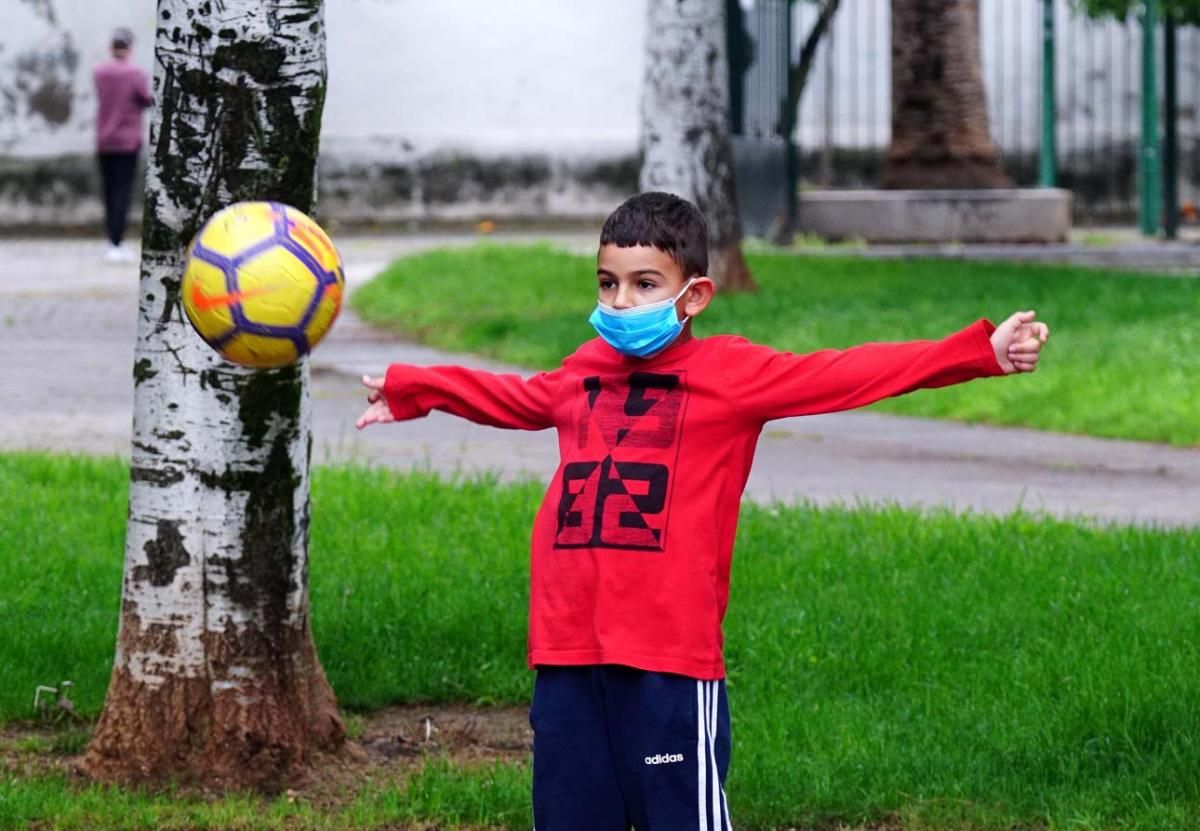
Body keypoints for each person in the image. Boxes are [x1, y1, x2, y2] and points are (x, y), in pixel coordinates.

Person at [355, 191, 1050, 829]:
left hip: (669, 662)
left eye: (644, 284)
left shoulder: (731, 374)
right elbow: (513, 396)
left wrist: (976, 352)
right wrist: (410, 386)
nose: (621, 302)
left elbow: (847, 372)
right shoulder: (583, 368)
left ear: (694, 296)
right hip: (567, 653)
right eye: (608, 283)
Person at [93, 26, 152, 263]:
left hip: (104, 140)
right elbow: (147, 99)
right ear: (129, 48)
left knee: (109, 192)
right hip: (127, 142)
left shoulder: (100, 72)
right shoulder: (135, 73)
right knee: (122, 192)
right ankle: (118, 242)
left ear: (111, 47)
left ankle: (111, 240)